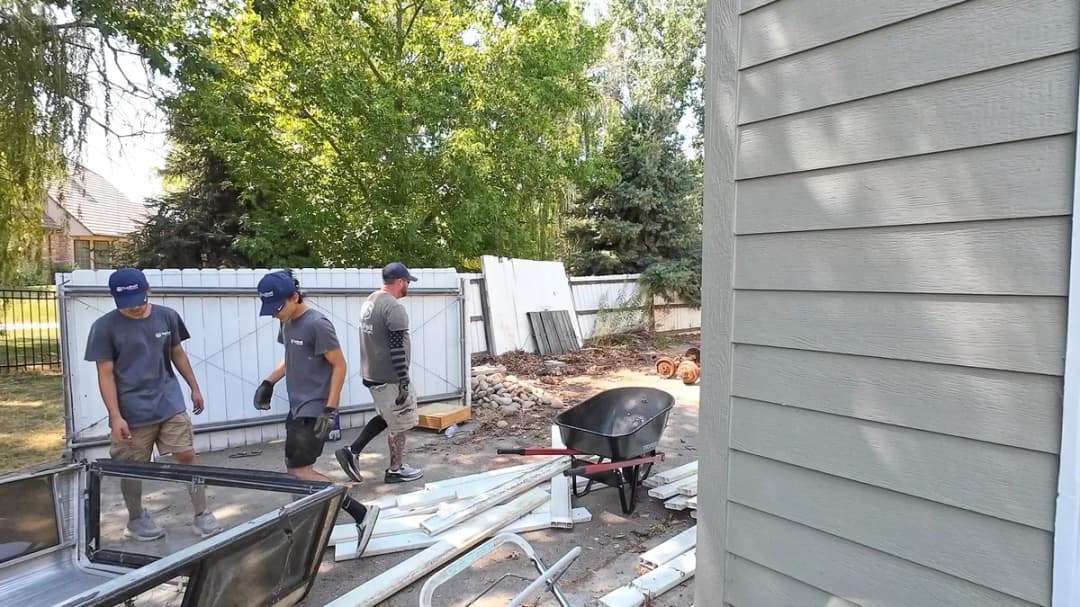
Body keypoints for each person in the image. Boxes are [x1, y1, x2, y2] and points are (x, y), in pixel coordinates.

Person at [83, 267, 222, 541]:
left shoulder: (167, 317)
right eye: (126, 304)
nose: (134, 308)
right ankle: (136, 518)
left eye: (138, 301)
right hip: (131, 411)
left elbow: (177, 353)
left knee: (186, 455)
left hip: (168, 402)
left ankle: (202, 513)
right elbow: (105, 374)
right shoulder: (104, 327)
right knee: (132, 466)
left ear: (148, 290)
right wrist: (115, 417)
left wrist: (194, 387)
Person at [251, 269, 378, 554]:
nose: (274, 314)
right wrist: (269, 382)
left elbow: (339, 365)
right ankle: (311, 522)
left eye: (278, 307)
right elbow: (289, 358)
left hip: (315, 408)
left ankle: (361, 513)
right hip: (297, 405)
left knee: (299, 470)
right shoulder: (286, 321)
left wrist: (329, 409)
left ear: (295, 296)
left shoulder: (317, 324)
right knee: (295, 469)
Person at [335, 262, 423, 484]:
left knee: (387, 416)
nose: (408, 288)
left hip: (372, 372)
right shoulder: (393, 308)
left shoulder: (371, 301)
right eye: (407, 283)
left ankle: (352, 451)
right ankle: (395, 469)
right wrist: (403, 380)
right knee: (399, 421)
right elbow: (396, 347)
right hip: (390, 377)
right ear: (401, 281)